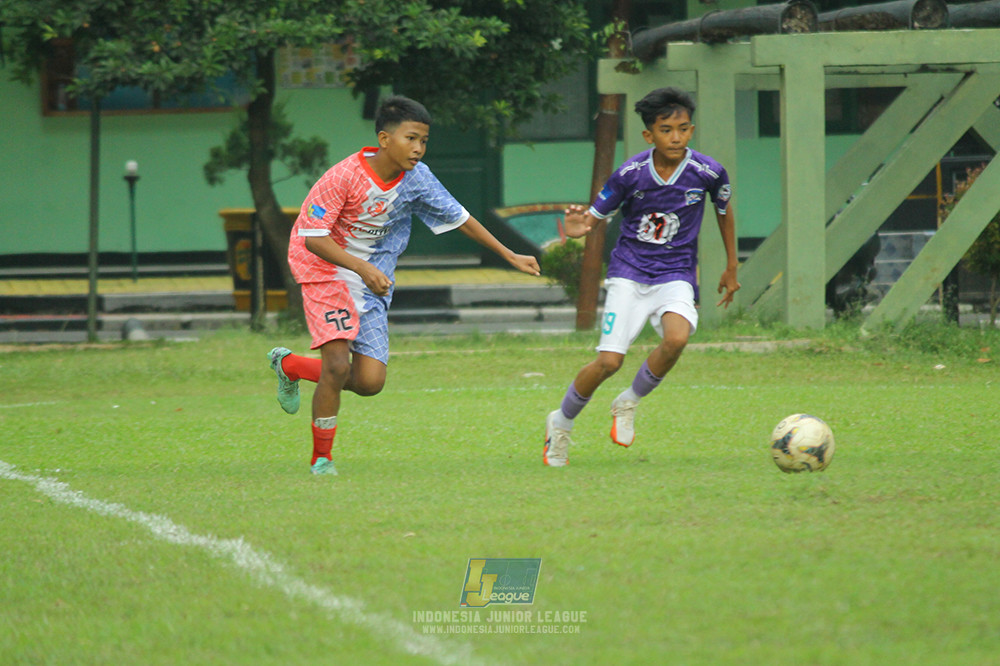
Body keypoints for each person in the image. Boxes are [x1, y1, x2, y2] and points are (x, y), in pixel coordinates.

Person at [268, 95, 540, 475]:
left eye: (424, 141)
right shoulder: (342, 177)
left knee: (369, 382)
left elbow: (459, 217)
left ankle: (291, 365)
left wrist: (509, 254)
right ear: (384, 138)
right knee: (335, 365)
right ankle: (321, 460)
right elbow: (314, 238)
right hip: (324, 270)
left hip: (372, 281)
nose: (418, 148)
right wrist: (361, 268)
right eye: (411, 138)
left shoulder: (418, 178)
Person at [544, 87, 740, 467]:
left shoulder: (708, 172)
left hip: (675, 274)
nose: (677, 137)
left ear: (692, 129)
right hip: (629, 275)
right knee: (608, 363)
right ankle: (561, 424)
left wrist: (732, 265)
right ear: (649, 135)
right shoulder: (630, 175)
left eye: (683, 128)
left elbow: (724, 210)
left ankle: (628, 401)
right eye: (667, 130)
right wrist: (578, 227)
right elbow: (592, 219)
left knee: (677, 338)